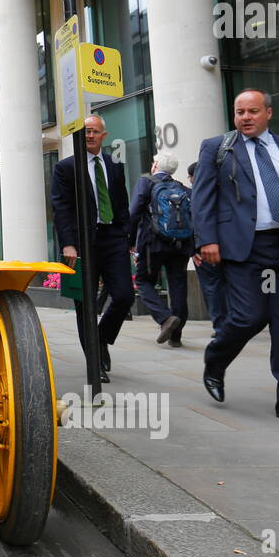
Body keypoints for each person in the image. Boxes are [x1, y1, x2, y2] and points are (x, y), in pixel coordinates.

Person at [192, 89, 279, 426]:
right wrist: (206, 240)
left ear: (268, 112)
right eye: (239, 111)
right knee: (248, 317)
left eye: (252, 111)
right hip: (244, 247)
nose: (245, 117)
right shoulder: (218, 148)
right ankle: (216, 358)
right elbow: (202, 199)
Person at [51, 114, 133, 382]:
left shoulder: (114, 165)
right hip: (82, 244)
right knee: (84, 304)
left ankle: (101, 338)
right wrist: (69, 244)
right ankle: (94, 364)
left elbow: (122, 203)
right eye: (86, 131)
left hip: (112, 238)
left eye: (95, 132)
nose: (90, 136)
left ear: (103, 136)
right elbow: (61, 208)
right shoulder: (66, 168)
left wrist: (126, 237)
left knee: (123, 296)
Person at [128, 151, 193, 347]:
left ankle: (165, 319)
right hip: (180, 245)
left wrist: (130, 241)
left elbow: (134, 212)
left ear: (155, 166)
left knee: (143, 280)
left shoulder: (146, 183)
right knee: (178, 287)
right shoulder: (182, 188)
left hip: (153, 244)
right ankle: (176, 336)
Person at [189, 161, 228, 331]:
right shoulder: (224, 190)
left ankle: (220, 325)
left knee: (212, 287)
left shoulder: (193, 195)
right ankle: (231, 322)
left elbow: (189, 224)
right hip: (229, 246)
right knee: (229, 284)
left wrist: (193, 249)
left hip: (204, 249)